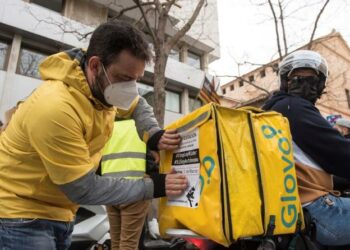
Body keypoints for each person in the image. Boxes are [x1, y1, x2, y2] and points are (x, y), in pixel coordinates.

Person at [0, 20, 188, 250]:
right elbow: (83, 187)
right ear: (96, 66)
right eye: (125, 79)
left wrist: (154, 134)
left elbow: (137, 106)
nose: (131, 89)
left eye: (137, 80)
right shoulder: (56, 107)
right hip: (19, 217)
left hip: (61, 212)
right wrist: (154, 186)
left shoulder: (101, 90)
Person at [263, 50, 350, 246]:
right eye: (297, 77)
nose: (304, 83)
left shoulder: (273, 109)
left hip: (292, 208)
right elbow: (342, 156)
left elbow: (307, 164)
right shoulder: (294, 108)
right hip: (317, 211)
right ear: (286, 82)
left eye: (311, 78)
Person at [101, 118, 150, 250]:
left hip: (109, 190)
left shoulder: (106, 127)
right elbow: (154, 158)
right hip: (135, 190)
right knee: (128, 244)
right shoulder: (143, 126)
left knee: (116, 242)